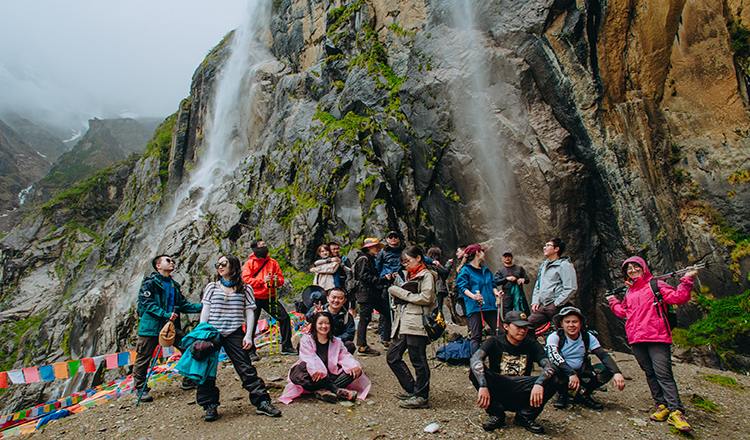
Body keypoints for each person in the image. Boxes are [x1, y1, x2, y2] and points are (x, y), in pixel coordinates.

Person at [607, 256, 697, 432]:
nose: (632, 270)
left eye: (635, 267)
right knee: (649, 373)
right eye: (629, 269)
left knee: (663, 373)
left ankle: (676, 411)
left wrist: (687, 279)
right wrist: (612, 300)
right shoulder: (629, 291)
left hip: (657, 337)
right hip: (636, 339)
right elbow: (623, 312)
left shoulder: (656, 285)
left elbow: (679, 297)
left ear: (643, 267)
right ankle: (661, 405)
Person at [197, 254, 281, 421]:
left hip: (234, 331)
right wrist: (201, 332)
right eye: (217, 264)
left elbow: (250, 312)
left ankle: (262, 401)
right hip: (212, 332)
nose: (219, 266)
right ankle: (210, 405)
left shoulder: (245, 288)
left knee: (245, 367)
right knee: (207, 369)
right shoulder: (211, 287)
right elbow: (205, 310)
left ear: (233, 266)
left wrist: (249, 336)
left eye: (223, 263)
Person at [469, 311, 558, 433]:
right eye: (518, 326)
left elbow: (548, 366)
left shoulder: (532, 344)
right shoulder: (494, 341)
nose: (522, 330)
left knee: (554, 379)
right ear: (506, 326)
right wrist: (483, 385)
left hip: (521, 388)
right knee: (475, 371)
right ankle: (496, 414)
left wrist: (539, 384)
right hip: (499, 386)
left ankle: (525, 416)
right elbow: (475, 359)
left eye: (525, 327)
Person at [134, 254, 202, 402]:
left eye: (173, 260)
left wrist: (203, 307)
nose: (172, 262)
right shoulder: (150, 283)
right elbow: (146, 302)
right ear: (158, 266)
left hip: (169, 326)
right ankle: (140, 388)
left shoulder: (173, 285)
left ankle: (188, 378)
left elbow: (183, 304)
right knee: (143, 357)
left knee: (188, 346)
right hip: (151, 326)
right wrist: (165, 314)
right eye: (168, 261)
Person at [279, 311, 370, 404]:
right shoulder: (307, 340)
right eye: (320, 323)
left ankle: (323, 390)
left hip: (330, 375)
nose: (324, 326)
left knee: (355, 372)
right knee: (298, 372)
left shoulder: (336, 341)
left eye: (327, 323)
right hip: (315, 375)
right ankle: (336, 389)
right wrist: (316, 369)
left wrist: (353, 366)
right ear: (315, 325)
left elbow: (345, 355)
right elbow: (308, 357)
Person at [545, 306, 626, 410]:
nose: (571, 325)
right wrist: (571, 373)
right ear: (561, 324)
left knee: (606, 369)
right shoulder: (555, 336)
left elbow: (602, 354)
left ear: (581, 323)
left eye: (575, 322)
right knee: (554, 368)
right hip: (564, 372)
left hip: (581, 370)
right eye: (567, 322)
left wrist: (617, 372)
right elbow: (553, 357)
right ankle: (562, 393)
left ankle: (584, 393)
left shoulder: (587, 336)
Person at [387, 246, 437, 409]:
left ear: (419, 258)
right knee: (392, 357)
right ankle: (413, 389)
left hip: (416, 323)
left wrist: (399, 293)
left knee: (418, 359)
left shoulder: (427, 275)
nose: (406, 265)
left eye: (408, 261)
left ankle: (422, 396)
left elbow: (427, 298)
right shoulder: (409, 276)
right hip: (403, 323)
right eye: (403, 262)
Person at [242, 240, 296, 358]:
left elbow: (281, 280)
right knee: (251, 323)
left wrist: (277, 280)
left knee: (284, 317)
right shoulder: (249, 263)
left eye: (265, 245)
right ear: (255, 249)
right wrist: (262, 281)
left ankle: (287, 346)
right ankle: (250, 351)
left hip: (269, 296)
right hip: (254, 298)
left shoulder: (273, 262)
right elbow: (246, 280)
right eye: (261, 246)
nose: (265, 247)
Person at [455, 245, 502, 352]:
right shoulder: (465, 270)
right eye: (482, 251)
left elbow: (493, 285)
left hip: (490, 305)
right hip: (475, 307)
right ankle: (476, 364)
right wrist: (474, 296)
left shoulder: (486, 270)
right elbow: (463, 287)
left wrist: (497, 293)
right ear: (477, 253)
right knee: (476, 335)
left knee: (501, 331)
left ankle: (502, 359)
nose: (484, 253)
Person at [353, 238, 392, 356]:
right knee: (365, 319)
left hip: (372, 294)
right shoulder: (364, 259)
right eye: (376, 247)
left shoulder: (368, 258)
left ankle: (387, 340)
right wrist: (383, 279)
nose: (378, 249)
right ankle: (362, 346)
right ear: (368, 247)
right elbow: (364, 277)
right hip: (366, 294)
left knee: (387, 313)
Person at [529, 238, 577, 332]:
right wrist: (535, 301)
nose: (544, 248)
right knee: (528, 325)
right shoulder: (544, 265)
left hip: (556, 306)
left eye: (548, 245)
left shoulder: (564, 265)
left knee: (562, 331)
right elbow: (538, 284)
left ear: (556, 249)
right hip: (543, 306)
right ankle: (534, 346)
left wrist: (556, 304)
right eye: (545, 245)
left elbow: (571, 287)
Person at [306, 287, 356, 353]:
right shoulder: (319, 309)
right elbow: (307, 318)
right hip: (319, 342)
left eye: (340, 298)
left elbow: (349, 334)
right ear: (327, 298)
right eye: (333, 297)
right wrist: (316, 315)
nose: (336, 300)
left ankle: (340, 362)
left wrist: (333, 340)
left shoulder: (346, 316)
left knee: (349, 345)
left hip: (337, 344)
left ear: (344, 300)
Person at [375, 231, 404, 347]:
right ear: (386, 239)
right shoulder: (383, 252)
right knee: (386, 310)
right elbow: (378, 267)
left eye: (395, 236)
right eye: (390, 237)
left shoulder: (403, 252)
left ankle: (399, 334)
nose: (393, 239)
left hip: (399, 281)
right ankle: (385, 335)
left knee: (400, 308)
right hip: (386, 283)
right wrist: (381, 279)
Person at [494, 250, 531, 316]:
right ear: (502, 258)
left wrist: (523, 279)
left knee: (524, 314)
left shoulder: (519, 268)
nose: (507, 258)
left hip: (520, 295)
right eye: (505, 256)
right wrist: (506, 279)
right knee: (507, 315)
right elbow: (495, 282)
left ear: (512, 257)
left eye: (509, 256)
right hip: (507, 295)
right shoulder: (500, 270)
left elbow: (527, 280)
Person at [426, 247, 450, 316]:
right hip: (438, 288)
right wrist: (449, 264)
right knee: (438, 308)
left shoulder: (426, 264)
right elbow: (444, 272)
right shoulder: (436, 264)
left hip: (429, 288)